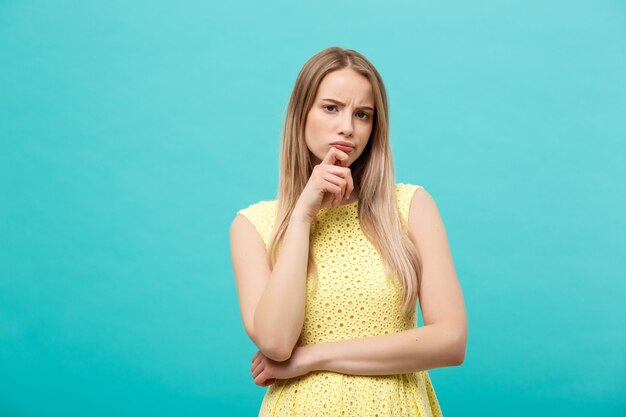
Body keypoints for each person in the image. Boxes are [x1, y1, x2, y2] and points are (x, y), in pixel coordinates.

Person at [230, 46, 467, 416]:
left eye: (363, 114)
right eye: (331, 108)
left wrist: (311, 358)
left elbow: (451, 341)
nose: (347, 127)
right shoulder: (253, 226)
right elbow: (276, 343)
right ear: (300, 114)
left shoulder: (410, 206)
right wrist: (302, 217)